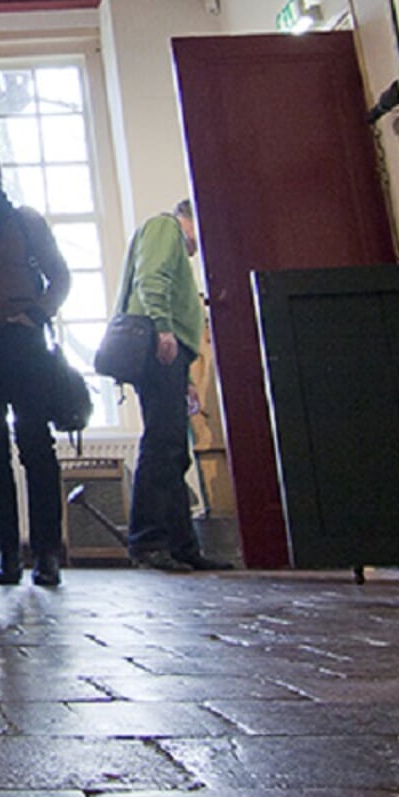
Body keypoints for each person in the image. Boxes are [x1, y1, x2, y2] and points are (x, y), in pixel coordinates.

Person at [0, 146, 72, 588]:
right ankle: (6, 552)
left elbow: (60, 276)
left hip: (23, 342)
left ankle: (47, 552)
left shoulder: (24, 220)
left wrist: (39, 313)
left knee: (35, 445)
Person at [120, 200, 229, 573]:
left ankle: (183, 546)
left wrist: (184, 381)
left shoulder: (174, 240)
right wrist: (163, 327)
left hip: (170, 354)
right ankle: (149, 542)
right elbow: (151, 278)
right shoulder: (165, 228)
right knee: (161, 443)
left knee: (173, 448)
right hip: (157, 344)